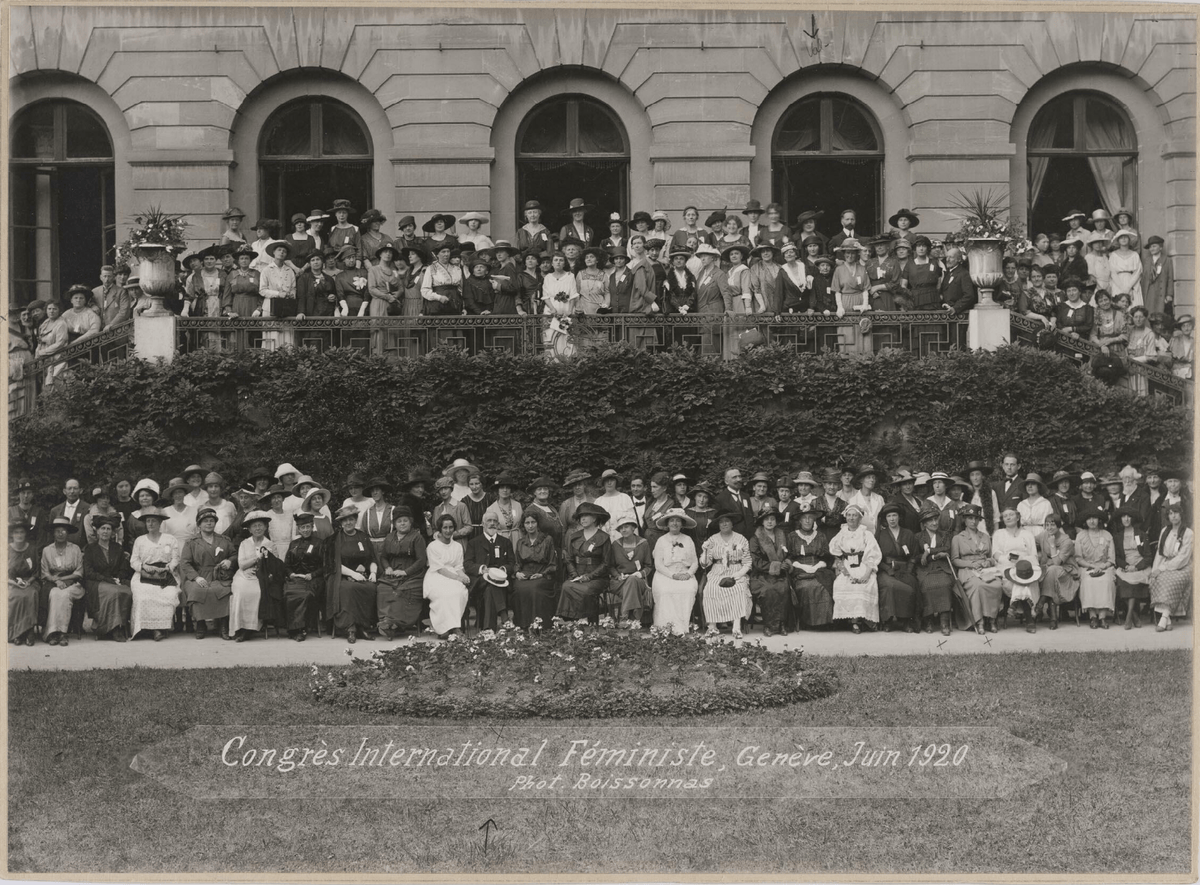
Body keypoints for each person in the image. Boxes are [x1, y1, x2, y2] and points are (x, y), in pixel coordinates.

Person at [326, 505, 380, 642]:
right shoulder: (335, 539)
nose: (348, 523)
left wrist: (373, 572)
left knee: (371, 588)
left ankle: (363, 627)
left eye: (351, 519)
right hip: (341, 576)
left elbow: (372, 559)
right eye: (344, 520)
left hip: (363, 576)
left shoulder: (363, 536)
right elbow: (333, 564)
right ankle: (350, 629)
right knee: (348, 589)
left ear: (356, 520)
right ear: (341, 523)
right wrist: (353, 574)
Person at [128, 507, 182, 642]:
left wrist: (168, 568)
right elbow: (134, 560)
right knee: (143, 595)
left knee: (169, 594)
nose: (150, 524)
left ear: (160, 523)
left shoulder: (170, 539)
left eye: (154, 521)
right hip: (144, 574)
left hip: (165, 574)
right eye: (148, 521)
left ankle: (161, 628)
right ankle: (146, 629)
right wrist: (143, 567)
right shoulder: (139, 540)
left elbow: (176, 558)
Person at [179, 506, 234, 640]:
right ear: (199, 524)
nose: (209, 523)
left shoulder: (224, 540)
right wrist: (196, 578)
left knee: (224, 591)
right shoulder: (191, 542)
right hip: (199, 574)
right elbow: (185, 563)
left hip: (220, 575)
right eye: (205, 521)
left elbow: (234, 554)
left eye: (211, 520)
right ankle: (201, 624)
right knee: (197, 591)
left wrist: (229, 561)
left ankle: (223, 625)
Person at [950, 503, 1003, 633]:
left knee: (997, 584)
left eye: (976, 519)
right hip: (967, 570)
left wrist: (988, 563)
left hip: (985, 569)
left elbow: (991, 557)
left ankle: (992, 619)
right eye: (970, 518)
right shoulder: (958, 538)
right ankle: (980, 621)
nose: (973, 521)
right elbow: (955, 560)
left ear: (979, 520)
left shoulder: (985, 536)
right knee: (978, 585)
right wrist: (971, 564)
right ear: (965, 520)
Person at [828, 504, 880, 634]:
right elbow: (836, 554)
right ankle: (851, 620)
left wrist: (867, 573)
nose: (851, 518)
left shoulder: (866, 533)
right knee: (842, 583)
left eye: (854, 515)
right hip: (847, 566)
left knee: (865, 584)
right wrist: (843, 570)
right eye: (849, 515)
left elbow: (872, 555)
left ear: (860, 518)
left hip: (863, 564)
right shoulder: (841, 533)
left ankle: (863, 619)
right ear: (845, 517)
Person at [376, 507, 427, 639]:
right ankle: (386, 622)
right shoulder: (390, 537)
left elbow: (421, 560)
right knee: (383, 588)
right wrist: (387, 568)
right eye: (399, 521)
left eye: (405, 521)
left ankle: (395, 624)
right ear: (394, 524)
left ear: (410, 522)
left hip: (412, 575)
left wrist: (405, 572)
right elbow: (383, 557)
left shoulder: (417, 537)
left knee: (401, 591)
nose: (402, 523)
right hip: (392, 574)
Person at [699, 511, 752, 636]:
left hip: (736, 570)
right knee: (710, 589)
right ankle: (712, 626)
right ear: (718, 525)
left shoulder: (741, 539)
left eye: (727, 521)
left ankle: (736, 627)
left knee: (738, 588)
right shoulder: (712, 539)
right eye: (721, 522)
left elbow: (747, 562)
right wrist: (705, 551)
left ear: (732, 523)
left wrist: (740, 574)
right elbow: (705, 564)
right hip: (717, 570)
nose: (724, 524)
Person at [81, 514, 133, 641]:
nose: (105, 531)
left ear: (113, 532)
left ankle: (121, 625)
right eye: (102, 528)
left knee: (126, 591)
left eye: (108, 529)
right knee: (114, 592)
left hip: (115, 580)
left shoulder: (118, 548)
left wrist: (118, 578)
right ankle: (112, 629)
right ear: (97, 531)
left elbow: (123, 568)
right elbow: (88, 572)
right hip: (96, 582)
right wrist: (108, 580)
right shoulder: (90, 549)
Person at [558, 502, 612, 624]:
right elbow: (569, 559)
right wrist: (575, 575)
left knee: (586, 590)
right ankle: (573, 622)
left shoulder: (604, 537)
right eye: (580, 516)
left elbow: (606, 563)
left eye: (586, 515)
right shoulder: (574, 536)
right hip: (578, 575)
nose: (582, 519)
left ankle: (592, 622)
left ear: (595, 518)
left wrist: (589, 576)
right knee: (566, 586)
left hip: (597, 578)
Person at [464, 512, 517, 632]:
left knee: (490, 589)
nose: (492, 523)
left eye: (494, 521)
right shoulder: (474, 543)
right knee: (489, 583)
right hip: (480, 582)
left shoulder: (505, 542)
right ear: (483, 524)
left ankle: (488, 629)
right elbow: (467, 564)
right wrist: (482, 569)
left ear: (498, 524)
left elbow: (512, 563)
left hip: (501, 582)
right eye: (489, 520)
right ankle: (504, 617)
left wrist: (503, 570)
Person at [651, 508, 699, 636]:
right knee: (665, 591)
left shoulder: (688, 539)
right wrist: (672, 575)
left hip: (685, 574)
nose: (675, 523)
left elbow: (695, 562)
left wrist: (688, 574)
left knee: (688, 590)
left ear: (682, 524)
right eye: (672, 520)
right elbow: (658, 565)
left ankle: (682, 627)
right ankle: (665, 627)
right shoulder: (661, 540)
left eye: (678, 521)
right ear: (667, 524)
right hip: (665, 574)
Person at [228, 511, 275, 641]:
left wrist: (262, 569)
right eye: (254, 526)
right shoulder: (244, 543)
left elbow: (273, 565)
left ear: (265, 527)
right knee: (240, 592)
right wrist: (257, 559)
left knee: (257, 593)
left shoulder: (270, 544)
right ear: (249, 529)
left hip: (261, 577)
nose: (258, 528)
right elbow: (242, 564)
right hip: (243, 575)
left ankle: (250, 629)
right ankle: (238, 627)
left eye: (260, 525)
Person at [40, 516, 86, 647]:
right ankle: (54, 633)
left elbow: (79, 572)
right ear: (53, 533)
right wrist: (56, 581)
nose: (60, 533)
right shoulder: (47, 550)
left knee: (65, 595)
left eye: (64, 530)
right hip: (54, 583)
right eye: (57, 531)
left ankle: (62, 633)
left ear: (68, 533)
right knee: (55, 594)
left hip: (74, 584)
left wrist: (63, 580)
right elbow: (45, 573)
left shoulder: (75, 549)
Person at [787, 505, 834, 629]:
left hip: (819, 569)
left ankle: (824, 623)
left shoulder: (821, 536)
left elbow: (827, 557)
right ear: (800, 521)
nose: (807, 521)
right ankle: (808, 623)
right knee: (806, 587)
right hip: (799, 569)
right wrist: (802, 566)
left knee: (824, 586)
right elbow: (789, 557)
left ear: (814, 520)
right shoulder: (792, 536)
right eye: (804, 518)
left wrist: (817, 566)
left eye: (810, 518)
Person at [874, 502, 920, 632]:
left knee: (911, 587)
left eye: (894, 515)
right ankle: (887, 620)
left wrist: (909, 569)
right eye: (889, 516)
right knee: (889, 586)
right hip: (885, 570)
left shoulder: (908, 534)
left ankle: (905, 621)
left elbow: (914, 555)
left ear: (899, 517)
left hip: (905, 570)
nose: (892, 519)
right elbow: (875, 557)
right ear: (885, 518)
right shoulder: (879, 535)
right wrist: (887, 569)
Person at [423, 514, 470, 638]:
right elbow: (440, 569)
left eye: (450, 527)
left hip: (454, 575)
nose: (448, 531)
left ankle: (455, 627)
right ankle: (442, 628)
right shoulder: (432, 546)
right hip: (436, 576)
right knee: (443, 593)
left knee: (459, 591)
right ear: (440, 529)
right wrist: (457, 578)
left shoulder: (458, 546)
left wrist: (463, 576)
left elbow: (458, 566)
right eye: (445, 528)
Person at [1149, 502, 1192, 632]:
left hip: (1183, 566)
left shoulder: (1188, 533)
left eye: (1176, 513)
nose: (1173, 516)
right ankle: (1167, 620)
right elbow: (1160, 553)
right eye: (1170, 513)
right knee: (1155, 579)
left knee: (1170, 581)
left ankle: (1164, 618)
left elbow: (1183, 557)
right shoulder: (1165, 531)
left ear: (1181, 515)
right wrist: (1155, 570)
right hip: (1165, 563)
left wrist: (1162, 569)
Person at [512, 512, 559, 629]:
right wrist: (517, 573)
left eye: (533, 522)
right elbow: (517, 563)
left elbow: (553, 564)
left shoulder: (547, 540)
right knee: (519, 588)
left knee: (534, 588)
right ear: (524, 525)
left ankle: (540, 625)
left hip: (543, 574)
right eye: (527, 523)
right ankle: (523, 625)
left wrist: (541, 574)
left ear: (538, 524)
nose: (530, 525)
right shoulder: (521, 542)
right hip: (526, 574)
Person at [913, 506, 955, 635]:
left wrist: (929, 551)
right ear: (924, 523)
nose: (934, 523)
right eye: (930, 520)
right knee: (926, 585)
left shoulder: (944, 534)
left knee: (944, 584)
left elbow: (947, 548)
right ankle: (929, 619)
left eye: (936, 519)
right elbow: (916, 556)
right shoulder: (918, 537)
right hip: (925, 569)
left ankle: (944, 621)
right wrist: (932, 556)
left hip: (942, 567)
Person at [282, 512, 323, 641]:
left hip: (313, 579)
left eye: (308, 527)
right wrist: (290, 574)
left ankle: (301, 628)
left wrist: (312, 574)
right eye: (302, 528)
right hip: (295, 579)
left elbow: (326, 566)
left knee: (305, 595)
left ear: (312, 527)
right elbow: (286, 565)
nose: (305, 530)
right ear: (298, 529)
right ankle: (294, 629)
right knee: (287, 593)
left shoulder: (320, 543)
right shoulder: (293, 544)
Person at [1111, 504, 1152, 629]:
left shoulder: (1141, 534)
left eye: (1129, 516)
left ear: (1133, 519)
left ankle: (1128, 617)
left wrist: (1137, 567)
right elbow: (1117, 557)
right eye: (1124, 516)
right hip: (1126, 567)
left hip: (1140, 567)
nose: (1126, 519)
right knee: (1122, 582)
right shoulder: (1117, 537)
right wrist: (1126, 566)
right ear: (1121, 519)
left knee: (1133, 580)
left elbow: (1148, 556)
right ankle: (1134, 615)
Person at [1076, 507, 1117, 629]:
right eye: (1089, 519)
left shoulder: (1107, 535)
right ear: (1085, 521)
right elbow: (1078, 558)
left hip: (1105, 567)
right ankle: (1093, 616)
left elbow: (1111, 559)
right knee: (1088, 581)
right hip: (1087, 567)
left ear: (1099, 520)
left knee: (1106, 581)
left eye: (1094, 518)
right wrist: (1092, 566)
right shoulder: (1080, 536)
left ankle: (1103, 617)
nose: (1092, 521)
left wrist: (1102, 566)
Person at [609, 517, 653, 625]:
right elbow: (610, 566)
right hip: (619, 582)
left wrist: (641, 573)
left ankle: (624, 615)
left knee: (632, 580)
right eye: (621, 528)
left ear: (633, 528)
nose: (623, 530)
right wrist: (618, 576)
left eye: (626, 527)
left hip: (638, 581)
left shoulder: (643, 544)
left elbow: (649, 566)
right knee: (630, 582)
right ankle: (635, 619)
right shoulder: (615, 545)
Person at [9, 522, 40, 646]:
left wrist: (29, 582)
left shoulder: (32, 549)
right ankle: (17, 633)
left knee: (30, 595)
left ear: (26, 533)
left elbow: (37, 571)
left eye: (22, 532)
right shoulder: (6, 549)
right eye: (16, 532)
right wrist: (14, 583)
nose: (19, 535)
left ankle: (29, 631)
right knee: (15, 597)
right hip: (11, 582)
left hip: (30, 581)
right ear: (12, 534)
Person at [36, 299, 70, 386]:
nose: (51, 311)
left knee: (57, 383)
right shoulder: (45, 323)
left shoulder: (61, 324)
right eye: (49, 309)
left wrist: (43, 352)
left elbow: (60, 343)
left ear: (59, 310)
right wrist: (37, 355)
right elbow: (40, 341)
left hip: (57, 357)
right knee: (45, 385)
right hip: (45, 359)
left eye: (55, 309)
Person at [594, 469, 636, 542]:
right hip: (603, 541)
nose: (609, 483)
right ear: (603, 483)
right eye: (606, 480)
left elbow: (632, 522)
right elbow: (595, 525)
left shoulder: (625, 498)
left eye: (612, 480)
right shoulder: (598, 501)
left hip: (623, 539)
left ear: (616, 481)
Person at [484, 474, 524, 547]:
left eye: (507, 488)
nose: (505, 490)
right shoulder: (491, 509)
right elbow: (488, 531)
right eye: (502, 487)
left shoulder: (517, 505)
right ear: (498, 490)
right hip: (500, 541)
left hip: (517, 539)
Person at [1108, 229, 1143, 307]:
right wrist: (1123, 288)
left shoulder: (1135, 255)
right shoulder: (1113, 255)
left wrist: (1129, 287)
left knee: (1133, 305)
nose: (1123, 239)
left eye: (1125, 237)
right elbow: (1112, 272)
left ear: (1129, 239)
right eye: (1121, 238)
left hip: (1132, 282)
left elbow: (1138, 271)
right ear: (1118, 240)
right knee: (1119, 304)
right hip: (1118, 282)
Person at [938, 247, 976, 315]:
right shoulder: (947, 273)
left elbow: (969, 296)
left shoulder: (963, 274)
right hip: (947, 315)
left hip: (959, 316)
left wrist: (955, 308)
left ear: (958, 259)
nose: (947, 260)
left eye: (951, 257)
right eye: (947, 257)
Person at [1142, 235, 1174, 315]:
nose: (1151, 249)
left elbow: (1170, 278)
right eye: (1150, 247)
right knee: (1149, 313)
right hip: (1149, 292)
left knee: (1160, 314)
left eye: (1154, 246)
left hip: (1161, 292)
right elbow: (1144, 278)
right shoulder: (1147, 261)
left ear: (1160, 247)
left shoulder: (1167, 260)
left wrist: (1169, 294)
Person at [1016, 473, 1054, 542]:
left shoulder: (1045, 503)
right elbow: (1017, 524)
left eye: (1033, 484)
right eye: (1027, 484)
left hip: (1041, 534)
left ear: (1038, 486)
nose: (1030, 486)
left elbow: (1050, 523)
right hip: (1023, 535)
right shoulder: (1021, 504)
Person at [1169, 313, 1193, 378]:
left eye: (1188, 325)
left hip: (1190, 372)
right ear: (1180, 328)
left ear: (1192, 326)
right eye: (1184, 326)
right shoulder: (1175, 340)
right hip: (1176, 371)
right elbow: (1170, 357)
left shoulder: (1195, 342)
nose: (1186, 328)